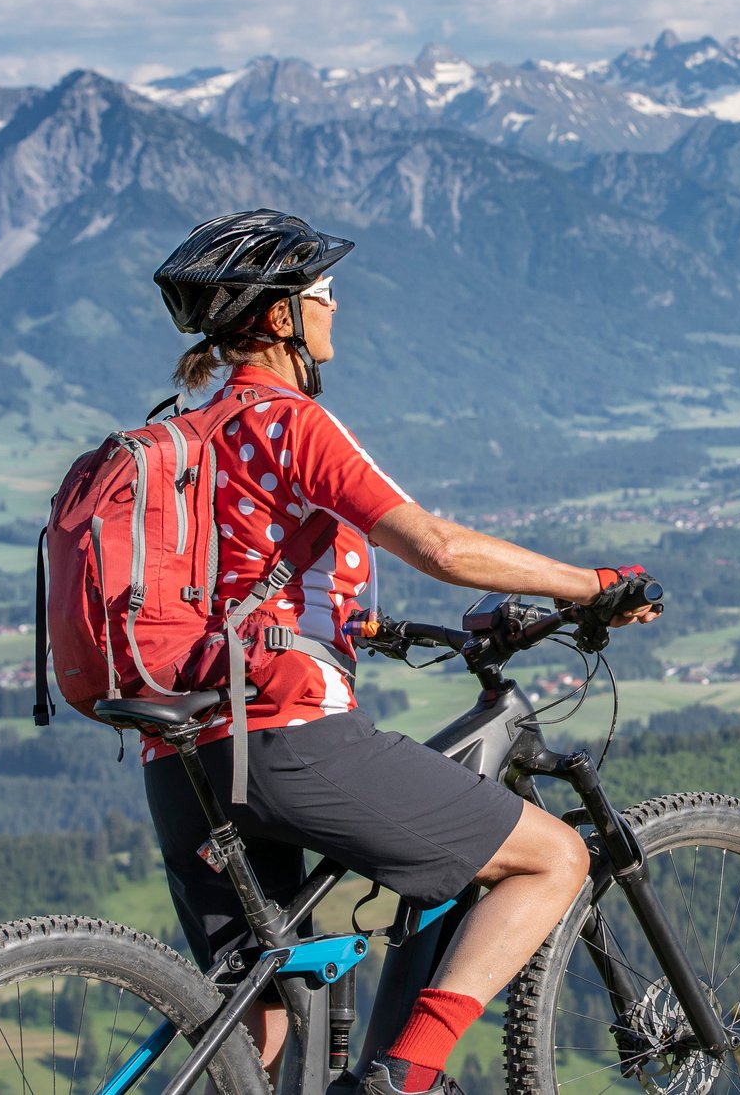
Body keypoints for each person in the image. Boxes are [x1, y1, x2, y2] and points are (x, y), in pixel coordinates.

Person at [145, 209, 660, 1095]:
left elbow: (240, 582)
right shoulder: (289, 422)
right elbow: (440, 549)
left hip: (183, 755)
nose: (336, 306)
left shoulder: (183, 435)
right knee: (553, 857)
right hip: (290, 743)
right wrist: (590, 583)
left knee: (255, 1035)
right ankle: (408, 1079)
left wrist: (381, 630)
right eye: (322, 294)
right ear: (280, 319)